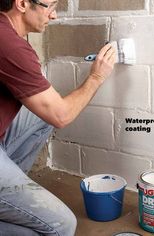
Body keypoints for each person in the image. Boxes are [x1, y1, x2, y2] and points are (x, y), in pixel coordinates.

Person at [0, 0, 116, 235]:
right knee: (60, 225)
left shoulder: (7, 33)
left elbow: (50, 111)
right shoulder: (8, 44)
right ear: (22, 3)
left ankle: (9, 198)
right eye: (50, 6)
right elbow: (62, 116)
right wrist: (96, 77)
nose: (54, 15)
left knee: (41, 116)